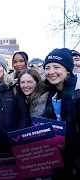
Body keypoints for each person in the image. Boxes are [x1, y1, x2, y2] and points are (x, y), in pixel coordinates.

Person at [42, 48, 80, 179]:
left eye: (56, 67)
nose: (51, 72)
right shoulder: (50, 93)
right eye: (47, 68)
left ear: (68, 69)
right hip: (59, 156)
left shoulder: (77, 93)